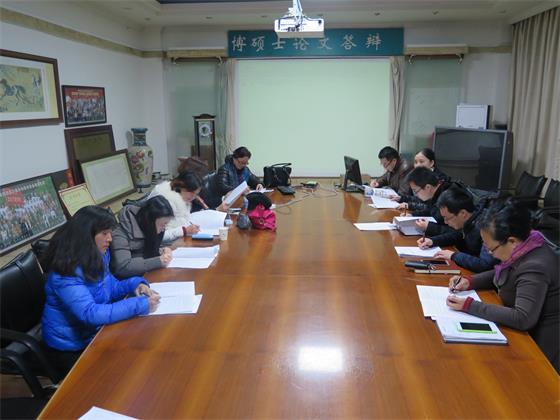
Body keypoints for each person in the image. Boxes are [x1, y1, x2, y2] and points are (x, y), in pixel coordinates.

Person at [41, 206, 160, 375]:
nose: (110, 239)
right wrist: (139, 305)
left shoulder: (96, 255)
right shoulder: (65, 271)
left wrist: (135, 284)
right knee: (122, 372)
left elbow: (111, 288)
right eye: (105, 233)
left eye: (110, 232)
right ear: (86, 236)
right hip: (71, 347)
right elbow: (89, 313)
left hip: (95, 333)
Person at [446, 199, 559, 372]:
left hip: (540, 347)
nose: (490, 253)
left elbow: (522, 318)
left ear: (512, 241)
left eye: (491, 249)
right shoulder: (526, 245)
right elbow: (507, 272)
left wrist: (470, 305)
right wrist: (470, 281)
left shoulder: (535, 266)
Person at [417, 186, 499, 272]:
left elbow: (485, 265)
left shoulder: (486, 227)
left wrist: (454, 256)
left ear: (463, 213)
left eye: (447, 218)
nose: (445, 222)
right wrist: (433, 241)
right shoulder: (469, 221)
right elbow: (457, 235)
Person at [110, 196, 174, 278]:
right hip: (131, 281)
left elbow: (147, 250)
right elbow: (123, 267)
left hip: (148, 275)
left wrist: (161, 250)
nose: (164, 229)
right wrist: (158, 261)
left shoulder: (147, 228)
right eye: (163, 224)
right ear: (150, 221)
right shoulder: (119, 234)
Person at [149, 171, 204, 241]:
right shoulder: (165, 203)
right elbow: (157, 236)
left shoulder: (182, 199)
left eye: (196, 194)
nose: (193, 197)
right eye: (191, 192)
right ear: (180, 186)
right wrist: (184, 230)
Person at [402, 166, 455, 236]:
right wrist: (412, 215)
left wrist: (429, 227)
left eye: (415, 191)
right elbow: (430, 210)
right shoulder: (435, 193)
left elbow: (456, 232)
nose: (416, 195)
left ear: (428, 187)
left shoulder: (449, 197)